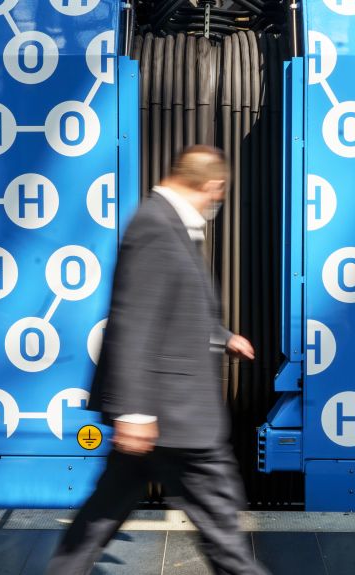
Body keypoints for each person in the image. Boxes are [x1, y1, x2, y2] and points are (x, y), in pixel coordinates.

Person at [47, 146, 268, 575]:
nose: (216, 203)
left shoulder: (167, 223)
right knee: (223, 531)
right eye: (218, 194)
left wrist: (223, 337)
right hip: (172, 415)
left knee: (102, 515)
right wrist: (134, 412)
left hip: (162, 414)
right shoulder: (155, 225)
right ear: (212, 185)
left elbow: (173, 309)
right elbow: (133, 321)